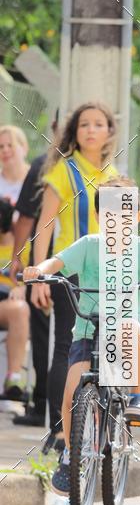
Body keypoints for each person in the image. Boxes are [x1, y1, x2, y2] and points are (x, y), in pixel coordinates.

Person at [24, 177, 140, 495]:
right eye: (109, 214)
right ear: (98, 217)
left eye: (124, 214)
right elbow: (57, 262)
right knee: (70, 393)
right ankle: (70, 454)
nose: (117, 221)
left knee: (131, 326)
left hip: (126, 333)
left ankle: (138, 397)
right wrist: (40, 269)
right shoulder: (90, 245)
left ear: (136, 217)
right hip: (88, 331)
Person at [29, 103, 119, 452]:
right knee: (68, 351)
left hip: (110, 275)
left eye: (99, 124)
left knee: (110, 350)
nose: (91, 130)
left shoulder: (113, 174)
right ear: (75, 132)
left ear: (110, 132)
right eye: (85, 124)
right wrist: (39, 276)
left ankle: (106, 429)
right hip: (73, 274)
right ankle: (61, 431)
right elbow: (45, 223)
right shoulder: (63, 172)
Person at [10, 151, 52, 425]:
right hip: (90, 258)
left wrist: (18, 257)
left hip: (48, 259)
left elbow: (26, 219)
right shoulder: (104, 165)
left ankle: (43, 405)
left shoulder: (44, 163)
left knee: (44, 332)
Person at [0, 125, 30, 399]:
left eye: (11, 145)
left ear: (24, 148)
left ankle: (15, 379)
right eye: (1, 146)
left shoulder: (36, 183)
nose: (6, 151)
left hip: (24, 271)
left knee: (19, 307)